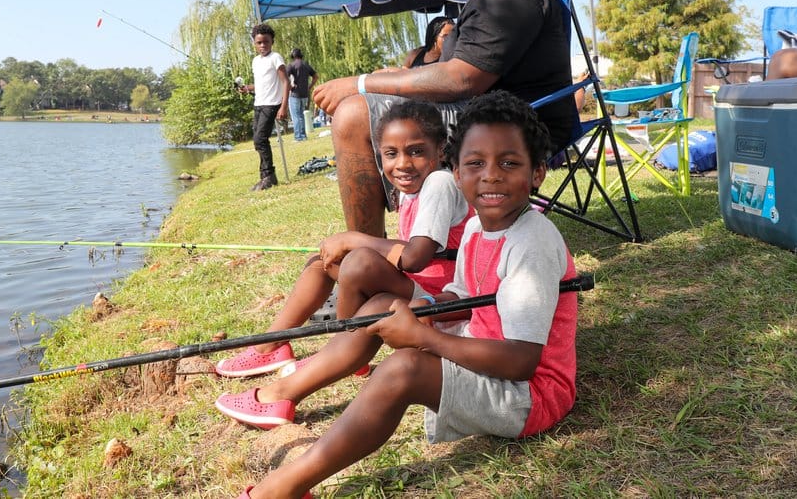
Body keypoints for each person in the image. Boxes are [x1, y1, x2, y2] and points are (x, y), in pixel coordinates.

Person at [225, 90, 578, 499]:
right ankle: (283, 395)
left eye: (509, 163)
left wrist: (424, 337)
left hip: (532, 394)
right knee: (380, 308)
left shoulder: (531, 241)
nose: (491, 175)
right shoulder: (481, 228)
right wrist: (425, 308)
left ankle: (284, 487)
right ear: (457, 173)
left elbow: (522, 361)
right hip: (486, 351)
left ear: (537, 174)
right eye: (475, 164)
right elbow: (461, 298)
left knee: (403, 370)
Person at [312, 0, 574, 239]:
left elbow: (463, 79)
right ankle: (378, 254)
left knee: (353, 115)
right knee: (371, 104)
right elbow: (454, 74)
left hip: (515, 125)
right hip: (483, 114)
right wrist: (393, 76)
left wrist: (362, 83)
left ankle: (365, 258)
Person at [213, 100, 473, 378]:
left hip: (443, 297)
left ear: (441, 150)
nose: (403, 164)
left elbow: (415, 258)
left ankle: (343, 352)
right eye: (391, 153)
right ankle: (271, 345)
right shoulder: (413, 186)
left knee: (359, 261)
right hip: (422, 285)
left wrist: (354, 239)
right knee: (323, 262)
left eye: (416, 152)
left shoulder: (439, 182)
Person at [239, 23, 290, 191]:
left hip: (272, 104)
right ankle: (264, 177)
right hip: (258, 104)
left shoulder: (276, 57)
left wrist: (283, 107)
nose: (262, 46)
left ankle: (269, 176)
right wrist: (248, 88)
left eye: (266, 42)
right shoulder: (255, 61)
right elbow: (261, 83)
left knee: (260, 139)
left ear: (272, 41)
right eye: (259, 42)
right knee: (258, 141)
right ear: (254, 43)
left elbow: (285, 82)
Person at [286, 48, 317, 141]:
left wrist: (290, 85)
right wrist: (309, 87)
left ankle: (298, 137)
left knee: (295, 116)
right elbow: (316, 76)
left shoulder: (291, 65)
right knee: (301, 115)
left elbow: (284, 78)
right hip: (305, 94)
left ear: (292, 56)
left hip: (295, 94)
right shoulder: (306, 65)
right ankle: (303, 136)